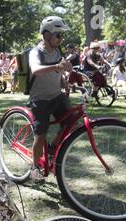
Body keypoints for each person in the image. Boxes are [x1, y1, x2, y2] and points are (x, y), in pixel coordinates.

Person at [28, 16, 73, 183]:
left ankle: (53, 148)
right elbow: (37, 70)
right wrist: (57, 67)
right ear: (47, 35)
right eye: (58, 35)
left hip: (57, 96)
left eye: (62, 35)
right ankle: (34, 167)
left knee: (71, 121)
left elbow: (58, 72)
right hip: (40, 99)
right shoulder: (36, 52)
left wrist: (64, 82)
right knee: (40, 136)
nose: (61, 38)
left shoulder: (57, 51)